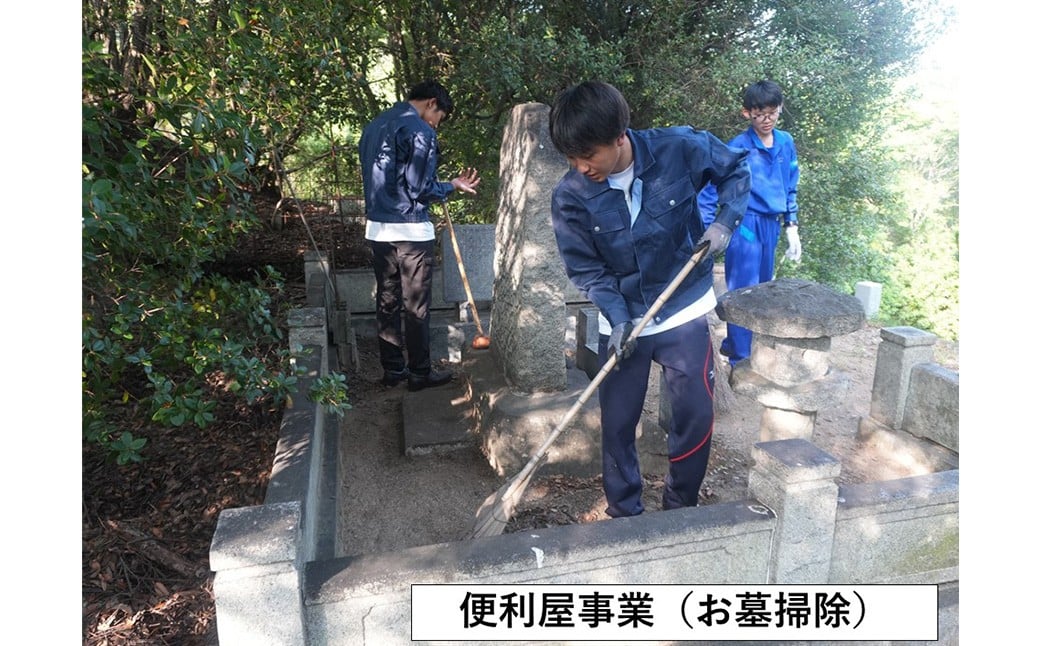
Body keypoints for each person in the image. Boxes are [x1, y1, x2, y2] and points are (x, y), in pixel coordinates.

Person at [548, 81, 750, 518]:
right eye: (572, 159)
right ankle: (624, 513)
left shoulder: (678, 147)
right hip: (621, 319)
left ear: (620, 137)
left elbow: (735, 169)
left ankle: (680, 508)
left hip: (683, 307)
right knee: (618, 423)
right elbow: (586, 270)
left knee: (694, 413)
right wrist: (618, 317)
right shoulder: (570, 196)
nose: (581, 167)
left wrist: (725, 223)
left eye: (589, 156)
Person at [359, 80, 481, 391]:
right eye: (440, 115)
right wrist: (451, 186)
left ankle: (393, 370)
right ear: (431, 103)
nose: (438, 122)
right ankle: (419, 372)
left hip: (378, 227)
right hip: (411, 230)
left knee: (387, 300)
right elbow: (420, 190)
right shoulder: (419, 131)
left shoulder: (374, 126)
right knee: (415, 303)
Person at [698, 80, 802, 365]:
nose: (766, 120)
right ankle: (740, 359)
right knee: (743, 291)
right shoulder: (738, 147)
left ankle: (741, 345)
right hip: (744, 224)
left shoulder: (785, 142)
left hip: (771, 224)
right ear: (746, 113)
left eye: (772, 113)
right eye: (759, 114)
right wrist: (707, 228)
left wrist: (791, 226)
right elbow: (710, 190)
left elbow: (790, 183)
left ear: (780, 109)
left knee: (763, 290)